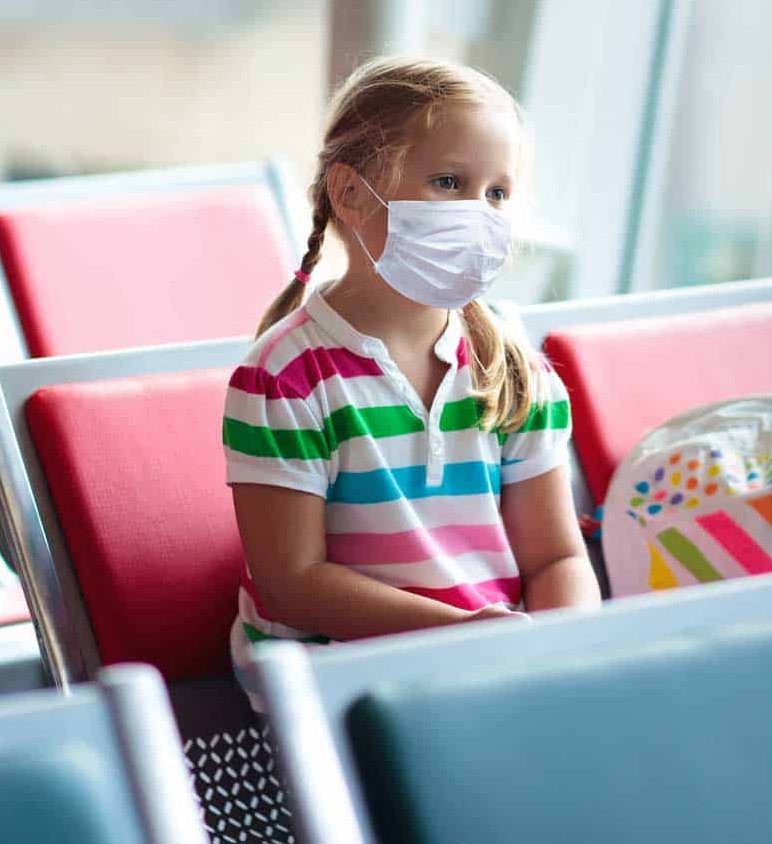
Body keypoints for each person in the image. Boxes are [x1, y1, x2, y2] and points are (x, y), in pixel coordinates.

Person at [222, 56, 599, 691]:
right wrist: (462, 638)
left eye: (497, 193)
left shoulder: (514, 374)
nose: (479, 213)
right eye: (449, 182)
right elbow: (293, 584)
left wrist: (558, 658)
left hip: (489, 676)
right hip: (337, 694)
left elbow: (556, 557)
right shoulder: (284, 378)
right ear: (349, 194)